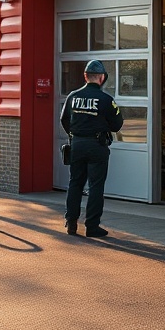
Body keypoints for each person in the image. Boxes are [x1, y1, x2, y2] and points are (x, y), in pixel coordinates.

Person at [60, 60, 123, 237]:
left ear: (85, 76)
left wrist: (75, 134)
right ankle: (92, 226)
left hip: (77, 144)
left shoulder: (73, 96)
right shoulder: (106, 99)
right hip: (97, 146)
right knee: (96, 186)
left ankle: (71, 223)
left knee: (75, 183)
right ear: (102, 78)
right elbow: (117, 124)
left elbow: (64, 119)